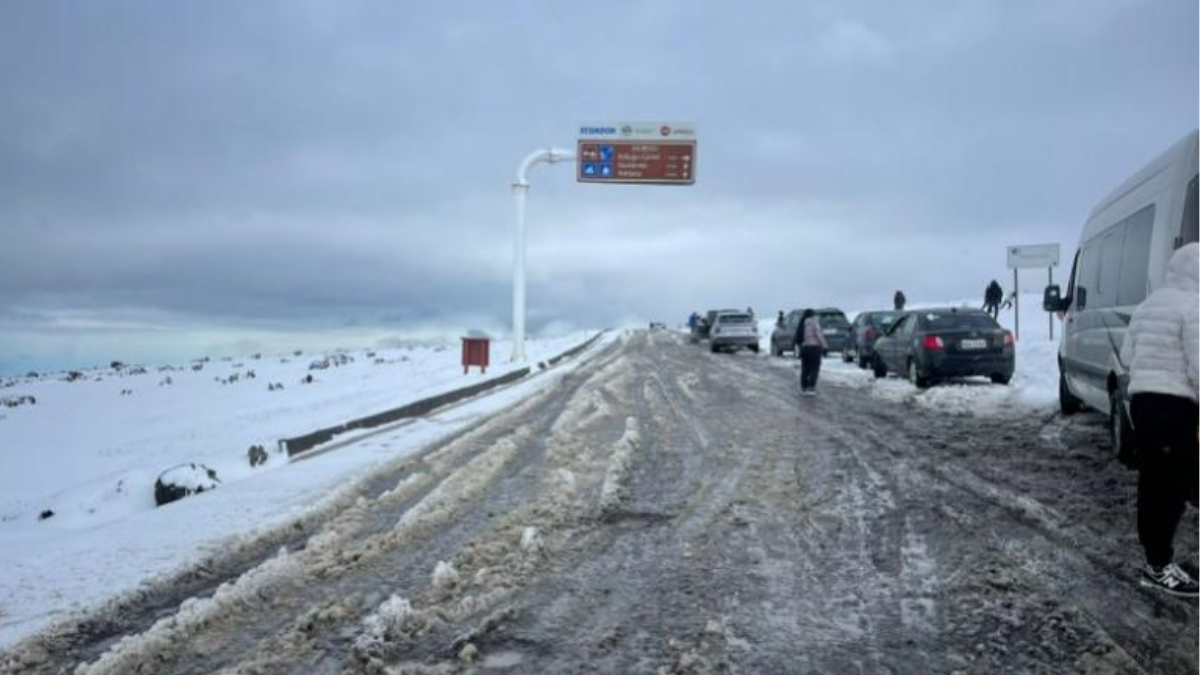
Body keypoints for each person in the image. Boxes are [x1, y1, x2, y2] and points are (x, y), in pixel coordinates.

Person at [1119, 243, 1199, 597]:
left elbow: (1126, 355)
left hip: (1143, 404)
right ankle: (1158, 566)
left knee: (1156, 482)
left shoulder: (1147, 306)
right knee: (1173, 485)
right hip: (1175, 406)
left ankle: (1157, 560)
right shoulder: (1193, 306)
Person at [795, 309, 828, 396]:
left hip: (804, 349)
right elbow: (819, 335)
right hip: (814, 348)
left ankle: (803, 387)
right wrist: (824, 346)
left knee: (805, 368)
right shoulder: (814, 323)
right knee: (814, 368)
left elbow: (798, 338)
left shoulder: (801, 323)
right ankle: (811, 388)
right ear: (812, 315)